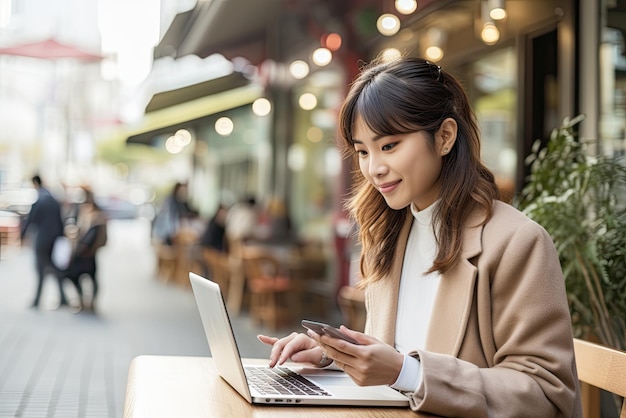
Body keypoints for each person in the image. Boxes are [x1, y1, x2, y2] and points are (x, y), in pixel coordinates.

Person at [258, 57, 582, 417]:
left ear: (444, 137)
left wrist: (408, 372)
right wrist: (331, 355)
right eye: (363, 151)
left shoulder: (518, 242)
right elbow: (392, 354)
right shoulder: (389, 234)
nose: (373, 168)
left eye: (390, 145)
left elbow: (546, 395)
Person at [20, 174, 69, 309]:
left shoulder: (40, 199)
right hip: (54, 238)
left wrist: (22, 236)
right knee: (54, 269)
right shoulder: (53, 198)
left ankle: (37, 300)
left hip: (42, 240)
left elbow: (30, 220)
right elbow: (61, 219)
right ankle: (63, 298)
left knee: (41, 269)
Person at [58, 188, 107, 312]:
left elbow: (89, 239)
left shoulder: (95, 218)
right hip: (87, 255)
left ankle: (88, 302)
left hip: (85, 255)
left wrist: (76, 251)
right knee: (88, 278)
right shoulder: (86, 215)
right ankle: (86, 301)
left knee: (75, 276)